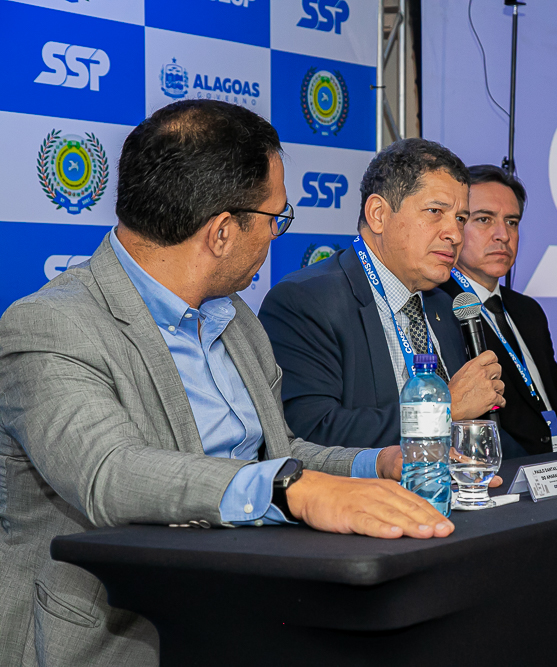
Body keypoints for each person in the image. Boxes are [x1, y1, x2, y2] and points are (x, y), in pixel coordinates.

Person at [0, 101, 458, 666]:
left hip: (252, 610)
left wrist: (375, 464)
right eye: (275, 219)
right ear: (220, 232)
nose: (275, 236)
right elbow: (110, 473)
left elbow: (276, 455)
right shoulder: (52, 325)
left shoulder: (234, 316)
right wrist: (291, 490)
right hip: (125, 638)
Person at [258, 139, 505, 455]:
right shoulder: (305, 301)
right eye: (435, 211)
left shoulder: (445, 305)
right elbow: (311, 432)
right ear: (378, 214)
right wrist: (443, 409)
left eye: (460, 218)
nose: (455, 235)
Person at [440, 165, 557, 457]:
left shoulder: (527, 310)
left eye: (512, 222)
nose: (503, 235)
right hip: (505, 467)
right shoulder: (440, 308)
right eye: (484, 219)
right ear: (456, 227)